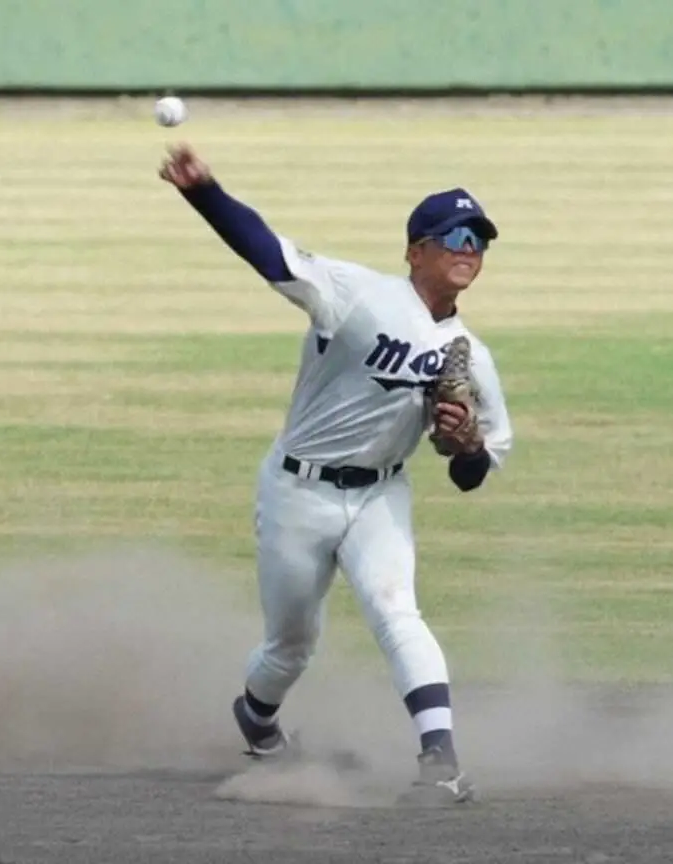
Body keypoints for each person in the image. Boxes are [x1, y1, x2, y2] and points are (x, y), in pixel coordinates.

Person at [159, 143, 513, 805]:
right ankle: (256, 717)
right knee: (291, 645)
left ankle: (440, 759)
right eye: (455, 237)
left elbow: (471, 475)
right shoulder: (357, 295)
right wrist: (203, 192)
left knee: (396, 611)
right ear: (415, 250)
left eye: (481, 241)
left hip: (380, 492)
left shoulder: (475, 360)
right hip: (297, 490)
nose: (470, 249)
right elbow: (269, 253)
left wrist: (464, 447)